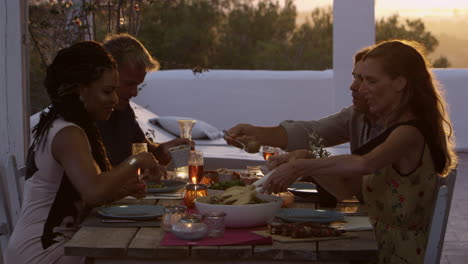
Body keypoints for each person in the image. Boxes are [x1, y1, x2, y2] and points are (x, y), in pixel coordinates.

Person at [263, 40, 457, 263]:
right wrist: (308, 158)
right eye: (360, 79)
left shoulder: (409, 132)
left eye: (370, 81)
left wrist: (300, 166)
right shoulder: (392, 130)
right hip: (374, 243)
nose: (359, 89)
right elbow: (345, 191)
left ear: (399, 83)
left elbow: (365, 164)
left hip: (397, 254)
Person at [5, 41, 164, 264]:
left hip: (60, 243)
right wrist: (139, 159)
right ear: (81, 89)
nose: (115, 99)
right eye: (107, 91)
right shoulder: (68, 133)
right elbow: (93, 192)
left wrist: (119, 191)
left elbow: (81, 196)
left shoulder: (66, 124)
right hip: (41, 251)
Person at [225, 46, 382, 158]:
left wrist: (308, 164)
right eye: (355, 77)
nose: (353, 86)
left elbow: (362, 168)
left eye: (368, 80)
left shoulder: (402, 130)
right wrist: (256, 134)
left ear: (399, 83)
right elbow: (313, 132)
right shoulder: (356, 116)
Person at [97, 33, 192, 167]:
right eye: (129, 84)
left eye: (138, 85)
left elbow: (144, 150)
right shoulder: (86, 118)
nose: (134, 92)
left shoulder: (124, 110)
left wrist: (162, 150)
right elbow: (95, 183)